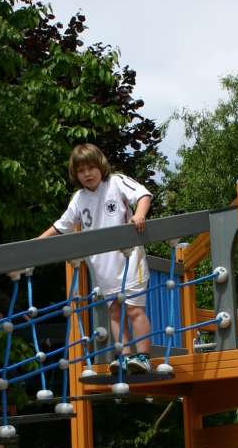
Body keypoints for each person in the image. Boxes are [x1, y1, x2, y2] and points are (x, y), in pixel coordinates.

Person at [38, 143, 154, 375]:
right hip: (103, 266)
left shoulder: (116, 182)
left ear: (100, 166)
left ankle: (143, 356)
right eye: (81, 171)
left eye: (91, 168)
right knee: (115, 312)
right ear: (76, 174)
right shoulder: (79, 198)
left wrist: (139, 214)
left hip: (129, 259)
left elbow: (143, 194)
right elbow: (62, 225)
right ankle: (125, 357)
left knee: (133, 310)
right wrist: (38, 241)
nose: (87, 174)